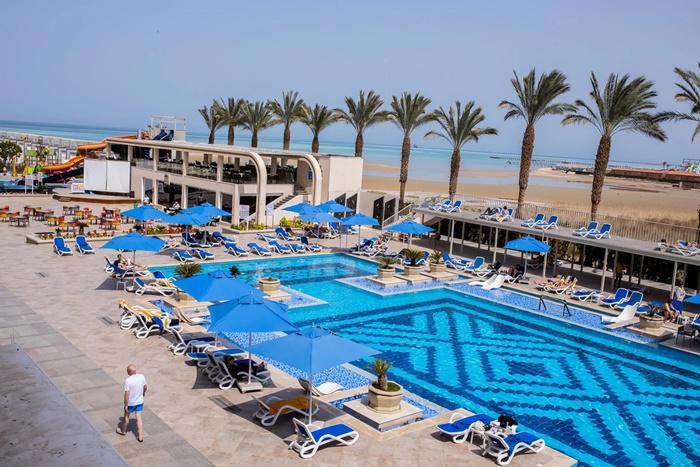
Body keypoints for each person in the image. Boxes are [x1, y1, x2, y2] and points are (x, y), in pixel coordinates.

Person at [117, 364, 147, 442]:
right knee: (139, 418)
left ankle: (123, 431)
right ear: (135, 371)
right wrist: (143, 393)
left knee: (126, 417)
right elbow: (145, 387)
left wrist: (126, 405)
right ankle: (140, 437)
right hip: (139, 401)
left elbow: (127, 394)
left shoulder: (128, 380)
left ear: (128, 372)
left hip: (131, 403)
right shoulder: (142, 376)